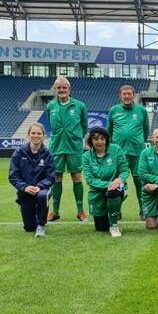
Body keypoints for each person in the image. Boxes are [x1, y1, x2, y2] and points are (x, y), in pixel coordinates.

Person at [46, 76, 89, 223]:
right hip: (56, 147)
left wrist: (75, 138)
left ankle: (80, 211)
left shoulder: (80, 106)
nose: (61, 90)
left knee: (76, 177)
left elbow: (84, 126)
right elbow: (52, 126)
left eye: (64, 87)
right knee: (56, 178)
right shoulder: (51, 106)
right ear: (55, 89)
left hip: (74, 147)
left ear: (69, 89)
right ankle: (55, 212)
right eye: (58, 87)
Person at [107, 85, 150, 219]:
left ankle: (143, 209)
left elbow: (146, 130)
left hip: (137, 153)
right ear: (120, 95)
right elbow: (109, 130)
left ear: (134, 95)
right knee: (118, 183)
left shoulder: (141, 111)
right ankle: (117, 210)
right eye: (124, 94)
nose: (127, 96)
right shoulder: (113, 110)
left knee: (140, 182)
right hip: (119, 154)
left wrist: (137, 142)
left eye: (129, 94)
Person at [8, 122, 56, 237]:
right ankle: (32, 213)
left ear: (43, 136)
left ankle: (41, 225)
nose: (36, 135)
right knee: (29, 228)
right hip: (25, 191)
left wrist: (39, 186)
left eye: (39, 133)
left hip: (42, 189)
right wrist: (25, 187)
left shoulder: (48, 154)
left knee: (42, 196)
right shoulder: (19, 152)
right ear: (28, 135)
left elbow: (51, 176)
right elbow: (13, 176)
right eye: (33, 133)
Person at [82, 126, 129, 238]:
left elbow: (124, 169)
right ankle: (113, 211)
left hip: (117, 187)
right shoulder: (85, 157)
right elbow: (90, 180)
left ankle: (114, 225)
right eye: (96, 139)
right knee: (101, 228)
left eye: (103, 138)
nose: (100, 142)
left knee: (113, 192)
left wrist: (119, 180)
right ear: (91, 141)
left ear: (107, 139)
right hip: (97, 193)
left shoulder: (116, 149)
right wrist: (108, 184)